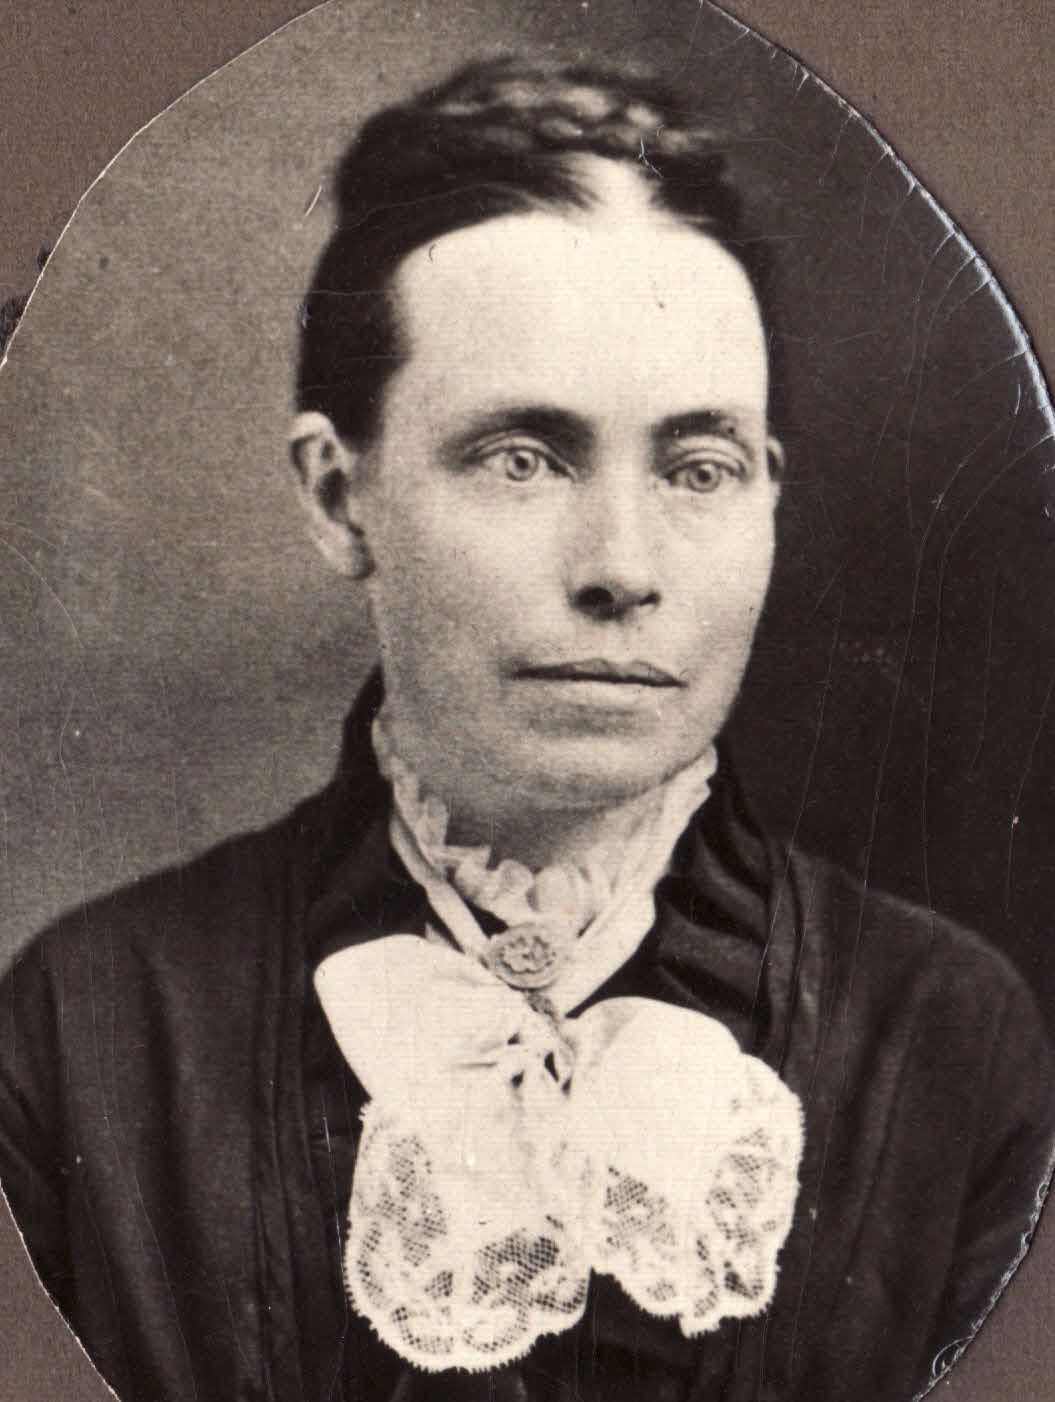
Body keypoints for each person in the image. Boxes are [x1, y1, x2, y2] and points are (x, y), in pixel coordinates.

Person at [1, 56, 1053, 1402]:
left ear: (769, 499)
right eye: (523, 457)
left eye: (700, 468)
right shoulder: (86, 1031)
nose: (622, 566)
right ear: (338, 496)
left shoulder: (954, 1041)